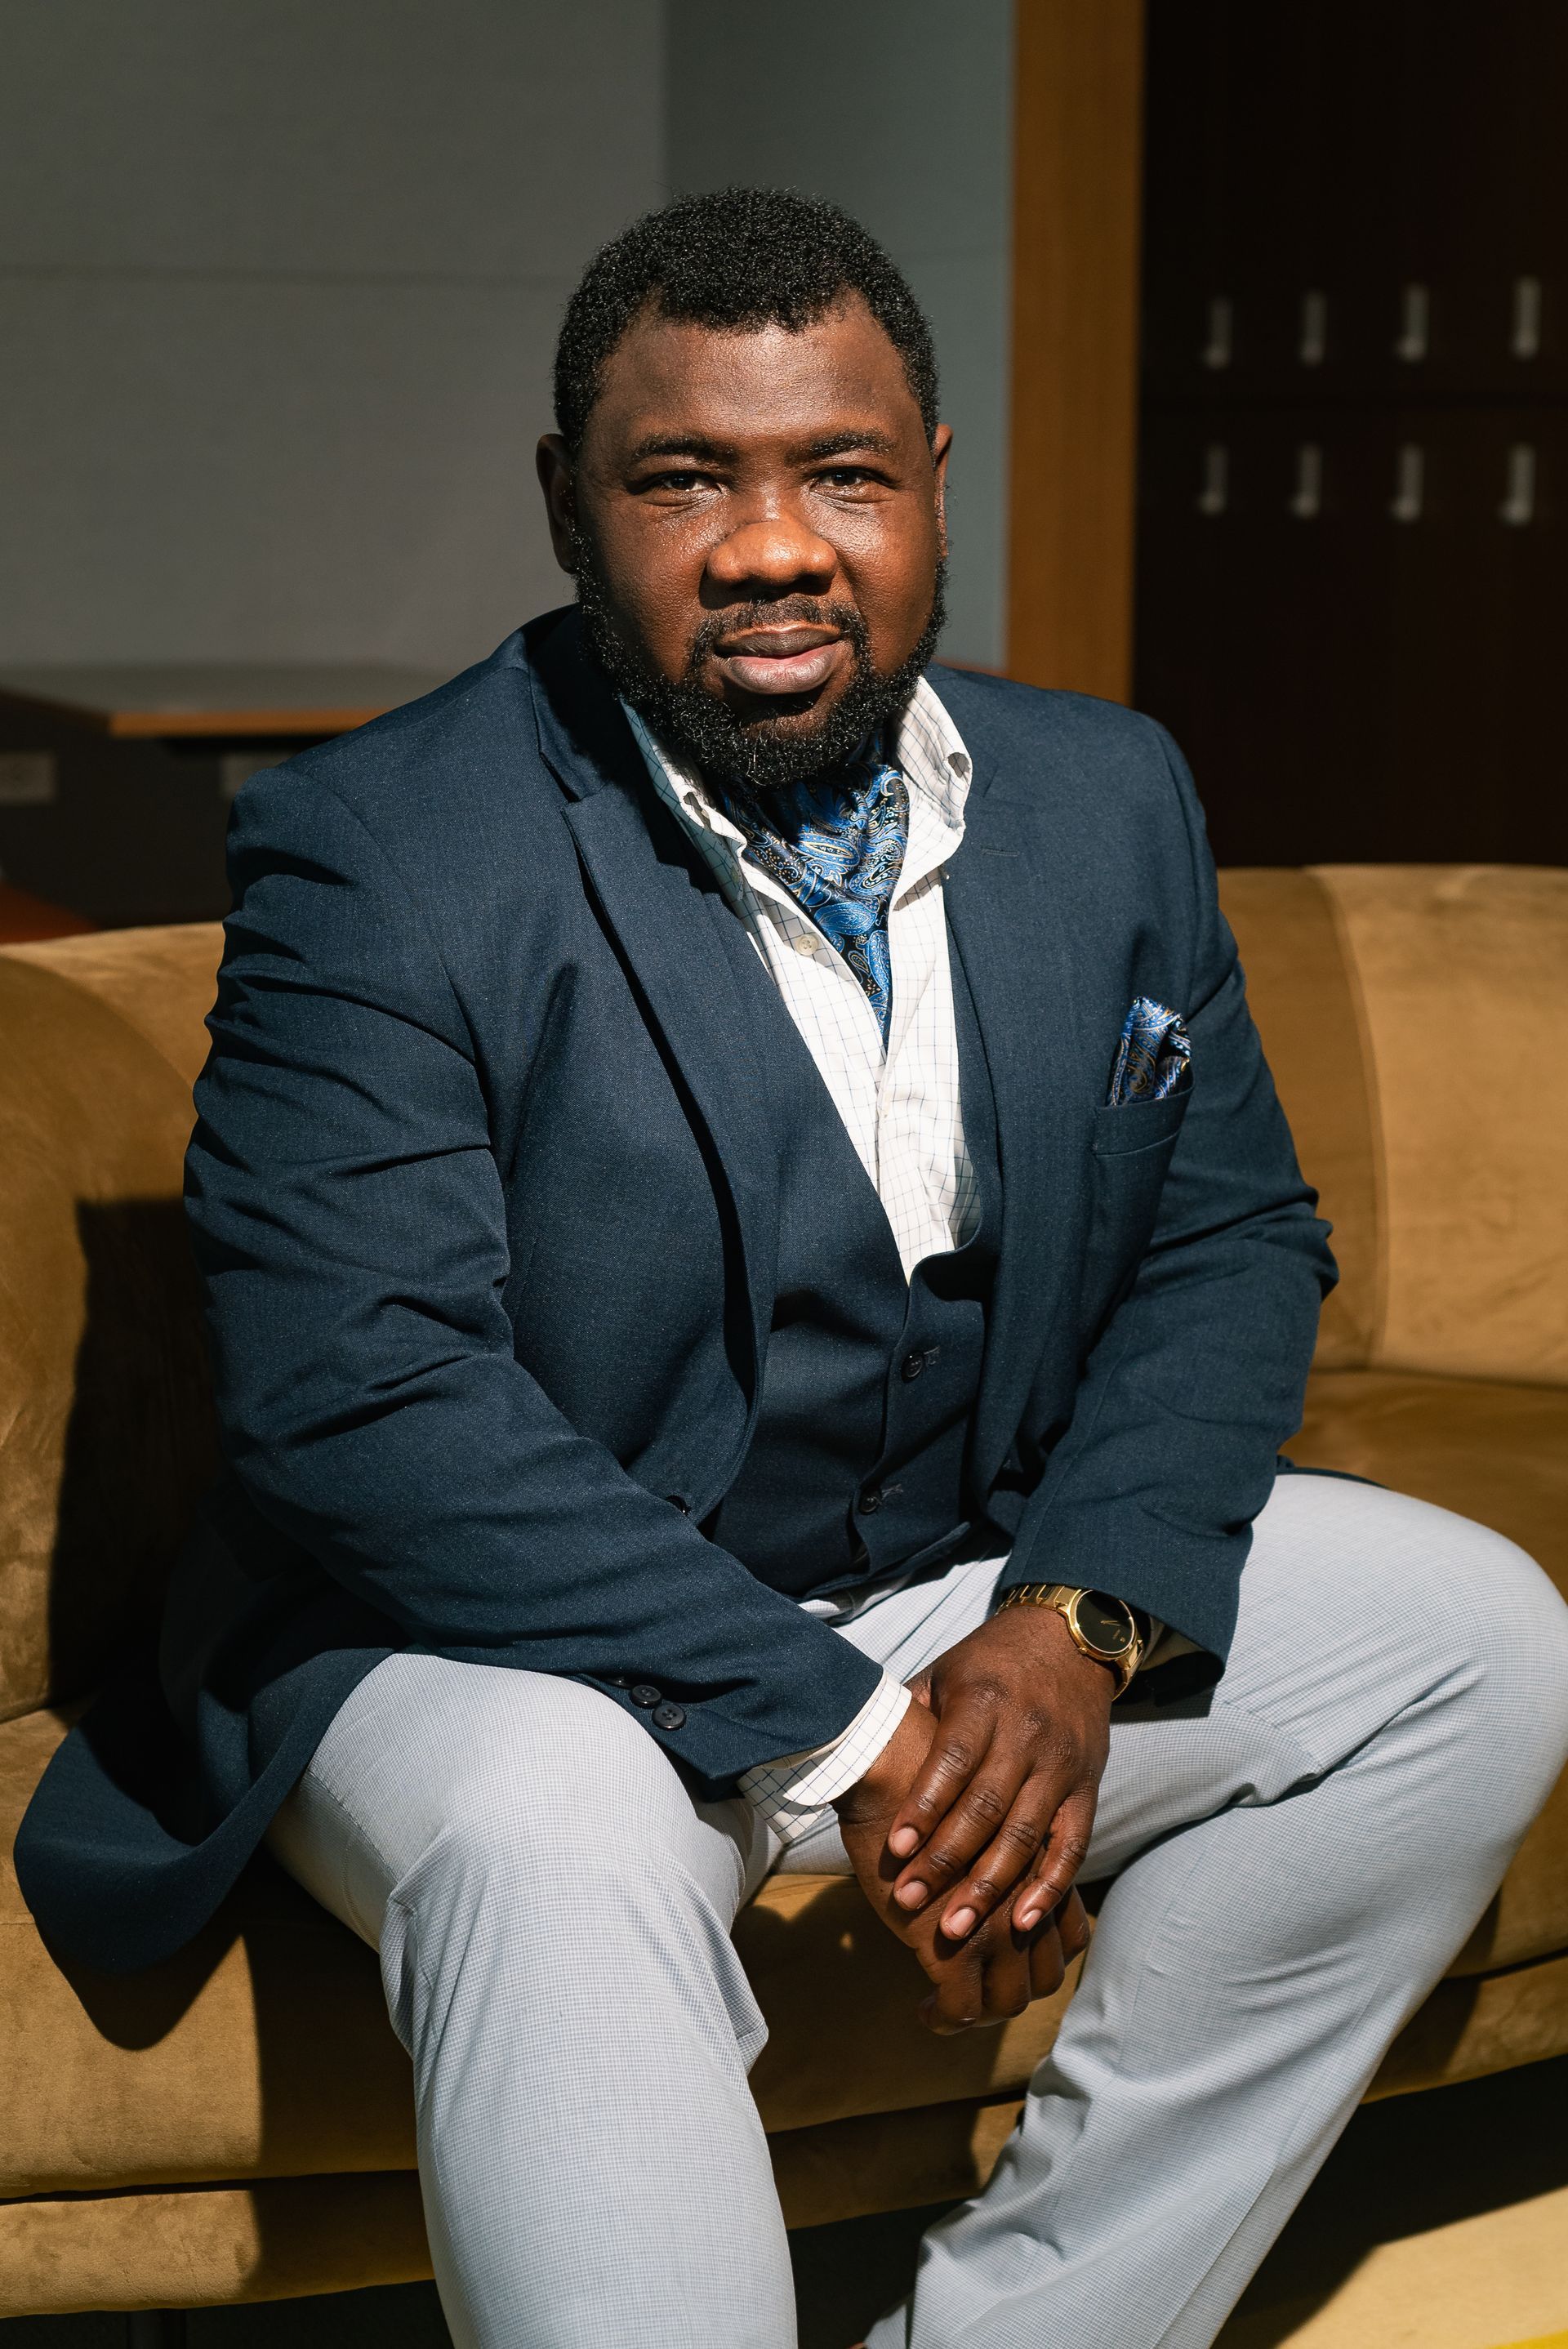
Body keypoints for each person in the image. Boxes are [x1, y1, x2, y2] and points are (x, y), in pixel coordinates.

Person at [19, 189, 1568, 2349]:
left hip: (944, 1568)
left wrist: (1063, 1623)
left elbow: (1228, 1235)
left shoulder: (1112, 795)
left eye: (839, 471)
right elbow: (366, 1404)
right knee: (556, 1827)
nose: (770, 548)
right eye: (685, 480)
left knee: (1474, 1641)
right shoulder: (382, 849)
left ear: (934, 485)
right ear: (572, 508)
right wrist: (862, 1737)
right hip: (490, 1645)